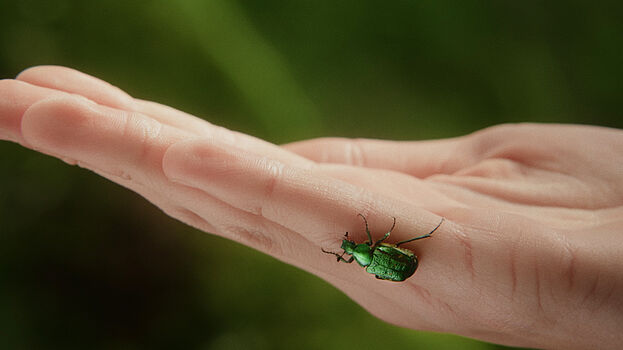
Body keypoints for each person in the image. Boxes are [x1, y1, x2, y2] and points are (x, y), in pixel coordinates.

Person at [1, 66, 621, 349]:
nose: (357, 244)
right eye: (357, 246)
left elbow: (392, 250)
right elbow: (393, 250)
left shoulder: (375, 248)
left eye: (355, 246)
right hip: (401, 258)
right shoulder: (376, 247)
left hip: (401, 259)